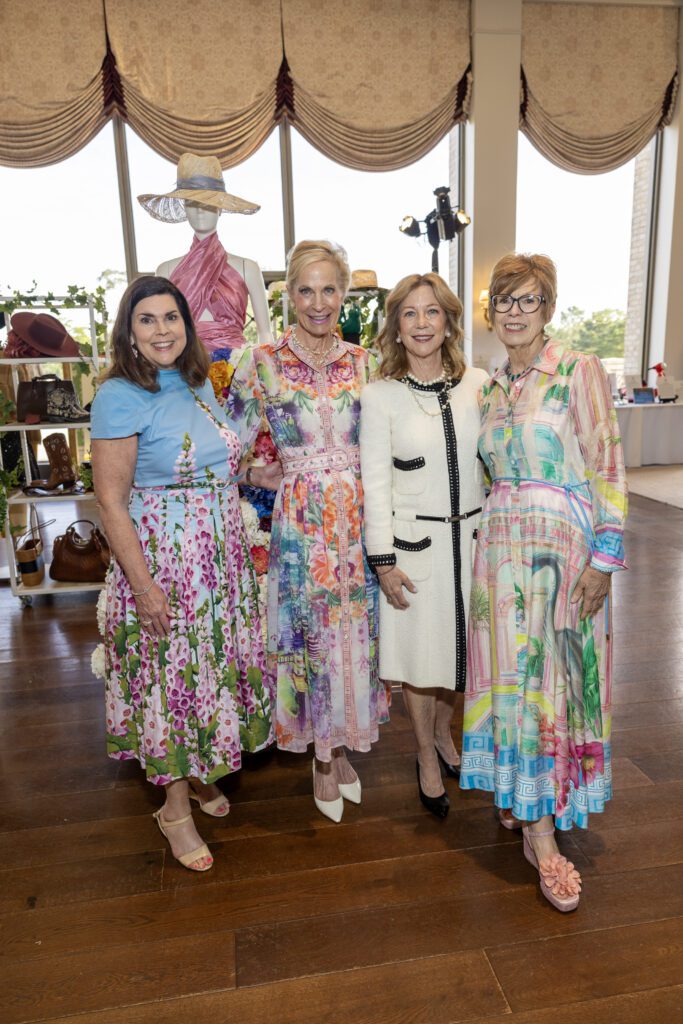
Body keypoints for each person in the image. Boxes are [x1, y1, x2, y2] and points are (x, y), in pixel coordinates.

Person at [91, 276, 280, 873]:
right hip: (166, 563)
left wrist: (260, 476)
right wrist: (144, 587)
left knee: (210, 672)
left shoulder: (199, 382)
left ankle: (199, 776)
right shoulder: (119, 395)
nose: (162, 330)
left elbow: (215, 465)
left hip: (218, 559)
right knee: (170, 683)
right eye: (146, 320)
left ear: (187, 325)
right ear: (129, 332)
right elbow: (110, 501)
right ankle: (174, 809)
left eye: (170, 317)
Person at [460, 253, 627, 911]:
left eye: (526, 300)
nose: (512, 311)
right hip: (499, 555)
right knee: (512, 684)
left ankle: (540, 819)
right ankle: (529, 815)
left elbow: (608, 466)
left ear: (547, 308)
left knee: (552, 682)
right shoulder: (492, 387)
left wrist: (603, 562)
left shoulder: (576, 373)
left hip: (561, 554)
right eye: (503, 300)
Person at [227, 240, 388, 822]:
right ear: (287, 294)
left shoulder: (367, 362)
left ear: (344, 293)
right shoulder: (260, 360)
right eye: (305, 289)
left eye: (329, 289)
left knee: (354, 635)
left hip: (361, 519)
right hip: (301, 522)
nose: (318, 302)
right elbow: (229, 445)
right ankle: (322, 757)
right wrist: (255, 471)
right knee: (310, 635)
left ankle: (341, 742)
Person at [360, 273, 486, 818]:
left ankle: (444, 737)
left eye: (431, 312)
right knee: (418, 659)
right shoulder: (380, 395)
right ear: (396, 326)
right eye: (409, 313)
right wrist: (383, 559)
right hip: (414, 548)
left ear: (448, 320)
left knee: (460, 653)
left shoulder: (480, 383)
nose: (421, 323)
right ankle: (424, 757)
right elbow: (374, 485)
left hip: (477, 542)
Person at [138, 152, 273, 351]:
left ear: (220, 209)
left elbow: (265, 333)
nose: (200, 211)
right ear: (184, 208)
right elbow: (161, 330)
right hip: (185, 370)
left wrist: (263, 374)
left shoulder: (248, 267)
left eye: (208, 204)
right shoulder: (165, 271)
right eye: (192, 204)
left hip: (236, 372)